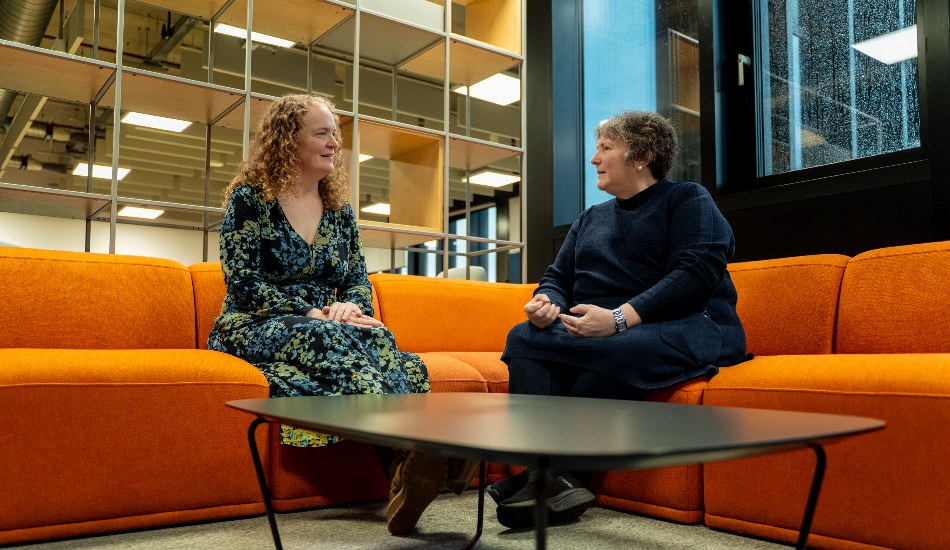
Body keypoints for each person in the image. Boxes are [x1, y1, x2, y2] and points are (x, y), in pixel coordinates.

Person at [208, 94, 476, 535]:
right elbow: (243, 283)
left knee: (386, 343)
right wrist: (311, 311)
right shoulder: (249, 200)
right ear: (288, 140)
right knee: (330, 339)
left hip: (325, 323)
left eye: (335, 133)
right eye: (322, 133)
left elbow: (356, 280)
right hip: (253, 321)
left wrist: (352, 307)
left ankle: (408, 471)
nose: (335, 142)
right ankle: (421, 450)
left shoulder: (340, 212)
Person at [491, 111, 747, 528]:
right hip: (599, 329)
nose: (594, 159)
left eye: (606, 148)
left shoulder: (688, 199)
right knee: (523, 336)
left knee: (620, 347)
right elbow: (557, 278)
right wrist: (546, 302)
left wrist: (619, 319)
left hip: (682, 323)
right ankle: (549, 478)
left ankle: (546, 478)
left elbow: (694, 274)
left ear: (642, 156)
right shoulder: (590, 218)